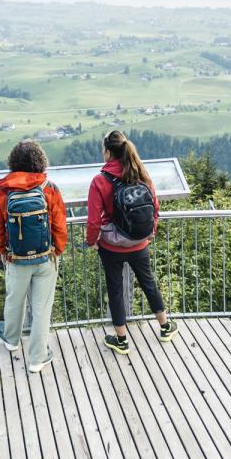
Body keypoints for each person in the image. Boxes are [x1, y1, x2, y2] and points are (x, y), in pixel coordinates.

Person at [86, 130, 178, 354]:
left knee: (115, 290)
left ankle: (121, 340)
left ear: (108, 153)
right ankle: (165, 326)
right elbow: (154, 206)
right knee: (148, 283)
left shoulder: (100, 180)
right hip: (139, 243)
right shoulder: (140, 173)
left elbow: (93, 220)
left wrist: (92, 242)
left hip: (111, 246)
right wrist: (150, 231)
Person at [0, 140, 67, 372]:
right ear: (40, 161)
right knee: (42, 308)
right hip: (45, 257)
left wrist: (3, 250)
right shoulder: (49, 187)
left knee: (14, 299)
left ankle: (11, 340)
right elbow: (60, 226)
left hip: (16, 259)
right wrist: (57, 250)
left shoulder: (3, 190)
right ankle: (37, 358)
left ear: (14, 161)